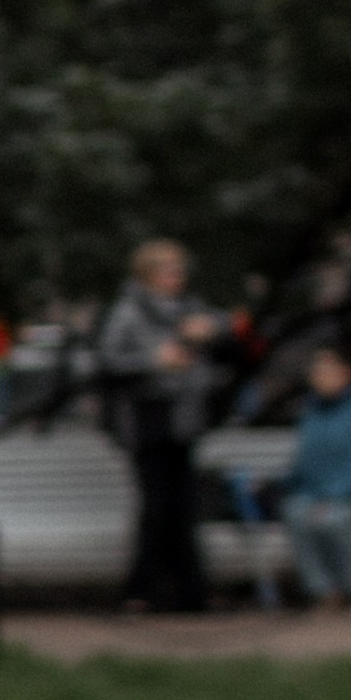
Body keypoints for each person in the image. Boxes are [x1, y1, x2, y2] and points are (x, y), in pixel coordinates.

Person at [99, 239, 221, 615]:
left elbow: (225, 336)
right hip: (148, 423)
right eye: (169, 270)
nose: (177, 276)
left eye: (180, 269)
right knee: (155, 508)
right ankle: (142, 591)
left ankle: (191, 594)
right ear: (148, 274)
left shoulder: (191, 310)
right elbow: (108, 363)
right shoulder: (128, 313)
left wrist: (212, 332)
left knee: (184, 508)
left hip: (184, 421)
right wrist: (155, 361)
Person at [281, 341, 351, 609]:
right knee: (295, 512)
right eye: (316, 371)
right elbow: (304, 464)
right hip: (315, 497)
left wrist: (331, 496)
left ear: (348, 373)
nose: (319, 376)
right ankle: (325, 593)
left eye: (326, 370)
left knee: (333, 519)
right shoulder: (312, 412)